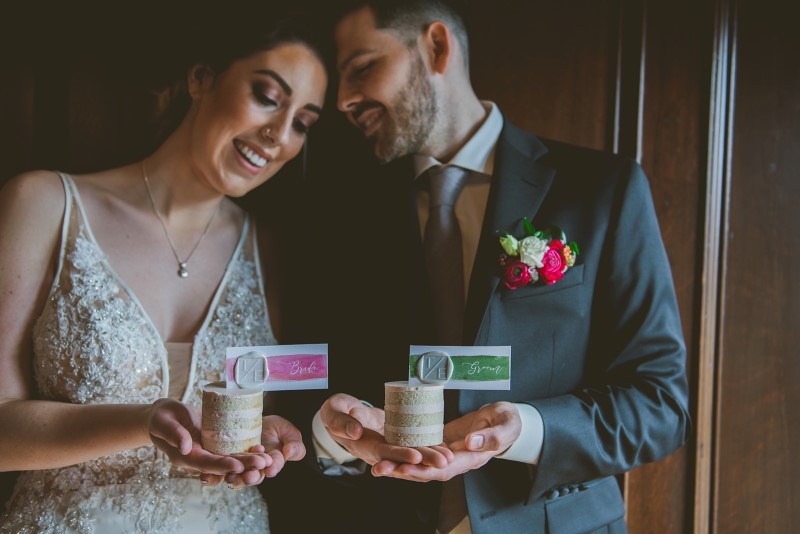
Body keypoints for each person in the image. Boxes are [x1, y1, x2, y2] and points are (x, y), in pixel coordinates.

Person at [265, 1, 691, 533]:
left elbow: (661, 403)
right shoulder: (343, 214)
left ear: (437, 47)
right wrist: (333, 436)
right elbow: (311, 372)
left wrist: (527, 429)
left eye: (363, 67)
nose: (346, 100)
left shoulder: (601, 191)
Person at [0, 11, 327, 533]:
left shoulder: (272, 250)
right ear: (202, 78)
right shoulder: (44, 205)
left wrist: (263, 439)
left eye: (303, 123)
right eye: (268, 96)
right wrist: (140, 421)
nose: (278, 135)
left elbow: (269, 399)